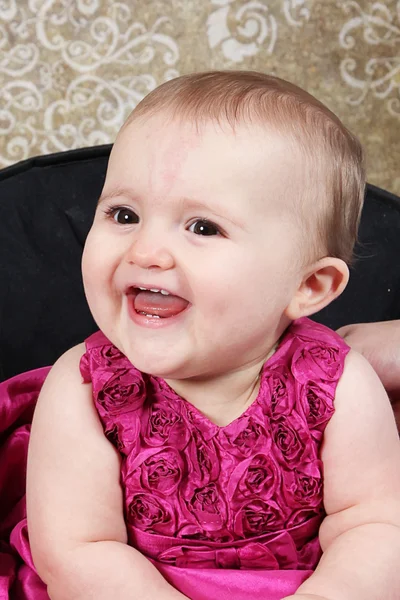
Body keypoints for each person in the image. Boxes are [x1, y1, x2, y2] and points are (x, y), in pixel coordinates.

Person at [2, 71, 400, 600]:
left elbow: (373, 526)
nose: (146, 251)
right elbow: (79, 550)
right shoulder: (83, 390)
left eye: (203, 227)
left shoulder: (337, 381)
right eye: (125, 215)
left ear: (308, 285)